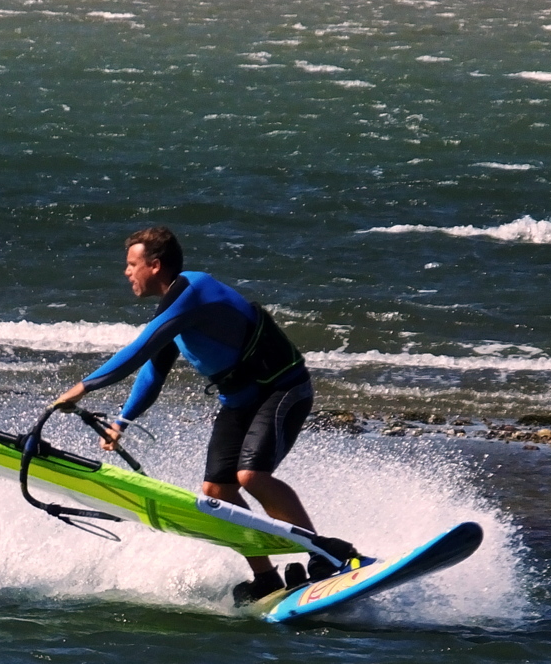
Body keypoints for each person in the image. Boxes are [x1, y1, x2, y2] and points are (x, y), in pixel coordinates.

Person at [52, 226, 361, 604]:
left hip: (281, 389)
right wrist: (121, 422)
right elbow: (152, 372)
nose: (126, 271)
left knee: (251, 476)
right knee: (217, 492)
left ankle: (327, 555)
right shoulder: (173, 309)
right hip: (238, 402)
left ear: (155, 265)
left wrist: (84, 387)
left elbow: (138, 350)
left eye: (132, 264)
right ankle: (265, 578)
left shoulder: (193, 291)